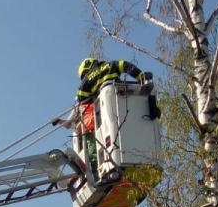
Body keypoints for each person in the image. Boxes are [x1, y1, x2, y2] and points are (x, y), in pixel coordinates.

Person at [55, 58, 152, 187]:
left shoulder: (86, 82)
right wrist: (141, 78)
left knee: (94, 152)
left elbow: (79, 105)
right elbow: (126, 65)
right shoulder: (111, 65)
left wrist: (66, 122)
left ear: (85, 70)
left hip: (99, 120)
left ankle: (97, 178)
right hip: (122, 109)